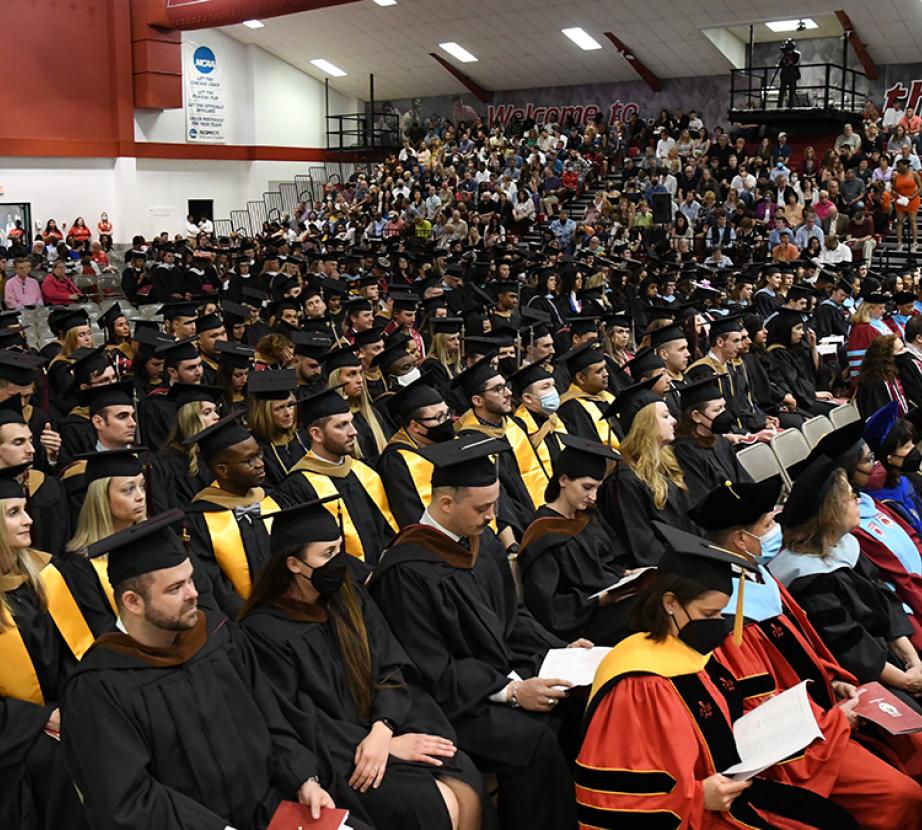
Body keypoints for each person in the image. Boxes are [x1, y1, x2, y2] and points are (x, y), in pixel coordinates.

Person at [60, 510, 342, 830]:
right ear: (133, 602)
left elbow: (271, 717)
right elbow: (128, 799)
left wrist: (302, 778)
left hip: (270, 813)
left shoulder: (220, 638)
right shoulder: (99, 687)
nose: (194, 593)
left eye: (191, 579)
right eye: (175, 588)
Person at [577, 521, 864, 828]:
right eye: (708, 615)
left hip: (731, 791)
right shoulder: (640, 684)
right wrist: (698, 797)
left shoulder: (691, 651)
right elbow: (617, 797)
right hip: (696, 813)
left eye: (721, 613)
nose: (719, 625)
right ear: (670, 603)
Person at [368, 435, 584, 830]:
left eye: (495, 505)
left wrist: (562, 648)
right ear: (446, 504)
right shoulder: (406, 571)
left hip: (500, 674)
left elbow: (512, 616)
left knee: (579, 701)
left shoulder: (479, 544)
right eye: (482, 508)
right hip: (451, 702)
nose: (492, 517)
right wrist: (513, 692)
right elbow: (430, 668)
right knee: (532, 741)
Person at [240, 498, 487, 830]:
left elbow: (389, 666)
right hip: (338, 758)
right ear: (294, 565)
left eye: (339, 549)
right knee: (435, 802)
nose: (340, 562)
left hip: (386, 725)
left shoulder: (349, 597)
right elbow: (298, 719)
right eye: (327, 554)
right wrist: (377, 745)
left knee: (466, 782)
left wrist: (384, 730)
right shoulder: (264, 633)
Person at [693, 479, 922, 824]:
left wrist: (833, 679)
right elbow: (761, 706)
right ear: (741, 540)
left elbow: (810, 648)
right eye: (768, 525)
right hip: (804, 746)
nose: (776, 531)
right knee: (900, 796)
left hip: (834, 704)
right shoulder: (729, 615)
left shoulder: (759, 580)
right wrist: (833, 718)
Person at [769, 457, 922, 713]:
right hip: (865, 675)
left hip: (891, 656)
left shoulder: (845, 546)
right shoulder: (809, 579)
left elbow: (886, 602)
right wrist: (906, 680)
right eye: (852, 497)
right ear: (832, 510)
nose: (859, 501)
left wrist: (913, 660)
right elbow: (850, 646)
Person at [0, 462, 92, 830]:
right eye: (14, 512)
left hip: (62, 715)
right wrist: (41, 719)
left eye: (25, 509)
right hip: (15, 740)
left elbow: (75, 654)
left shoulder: (44, 576)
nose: (28, 520)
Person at [519, 435, 636, 646]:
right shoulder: (543, 532)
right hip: (580, 624)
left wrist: (625, 574)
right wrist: (597, 601)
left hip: (611, 607)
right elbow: (546, 606)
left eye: (597, 488)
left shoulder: (588, 517)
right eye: (587, 487)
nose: (594, 496)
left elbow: (607, 562)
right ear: (563, 480)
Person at [273, 388, 396, 566]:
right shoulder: (298, 487)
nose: (353, 431)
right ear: (316, 434)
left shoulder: (364, 471)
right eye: (341, 425)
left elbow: (386, 528)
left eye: (351, 423)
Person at [183, 412, 280, 618]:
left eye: (259, 455)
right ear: (222, 470)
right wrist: (251, 617)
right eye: (249, 461)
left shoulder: (273, 499)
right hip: (243, 622)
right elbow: (214, 584)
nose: (260, 464)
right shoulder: (198, 519)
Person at [601, 377, 695, 565]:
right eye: (665, 416)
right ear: (645, 424)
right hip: (666, 575)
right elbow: (643, 547)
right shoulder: (623, 482)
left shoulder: (666, 464)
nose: (675, 421)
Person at [57, 449, 150, 637]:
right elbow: (102, 628)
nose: (140, 496)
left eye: (142, 486)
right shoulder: (80, 566)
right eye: (128, 489)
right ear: (101, 499)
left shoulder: (158, 538)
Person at [377, 376, 454, 528]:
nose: (447, 422)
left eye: (448, 413)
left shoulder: (440, 443)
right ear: (415, 426)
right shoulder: (396, 461)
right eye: (439, 417)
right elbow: (410, 513)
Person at [672, 375, 752, 504]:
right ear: (696, 416)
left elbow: (744, 479)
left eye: (724, 407)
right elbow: (701, 497)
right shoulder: (684, 450)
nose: (724, 414)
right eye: (717, 410)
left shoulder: (721, 441)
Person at [148, 383, 222, 513]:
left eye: (215, 411)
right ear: (189, 420)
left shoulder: (218, 454)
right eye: (207, 412)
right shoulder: (168, 463)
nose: (216, 416)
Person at [247, 369, 307, 487]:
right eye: (279, 408)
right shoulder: (255, 449)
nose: (288, 413)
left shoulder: (303, 439)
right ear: (264, 412)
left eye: (290, 406)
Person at [555, 344, 617, 446]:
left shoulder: (606, 396)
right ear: (581, 378)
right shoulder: (571, 408)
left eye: (605, 368)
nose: (606, 374)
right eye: (599, 371)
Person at [855, 334, 909, 418]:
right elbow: (881, 421)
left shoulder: (893, 375)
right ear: (888, 357)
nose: (906, 351)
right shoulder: (873, 384)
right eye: (900, 350)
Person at [847, 290, 890, 382]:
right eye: (880, 308)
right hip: (872, 377)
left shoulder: (879, 323)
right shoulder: (862, 329)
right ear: (869, 309)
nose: (884, 311)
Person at [892, 157, 922, 251]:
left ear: (906, 166)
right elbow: (893, 189)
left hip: (912, 200)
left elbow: (920, 187)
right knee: (899, 221)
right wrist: (897, 195)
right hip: (901, 200)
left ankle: (915, 242)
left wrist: (912, 196)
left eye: (900, 166)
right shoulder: (896, 176)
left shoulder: (913, 174)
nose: (898, 168)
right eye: (897, 166)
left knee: (912, 220)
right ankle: (899, 243)